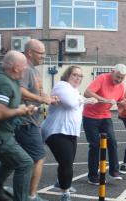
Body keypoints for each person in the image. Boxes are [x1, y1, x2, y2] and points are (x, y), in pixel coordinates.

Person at [41, 66, 97, 201]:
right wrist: (85, 100)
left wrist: (84, 99)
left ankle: (61, 182)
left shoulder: (75, 91)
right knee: (66, 163)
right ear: (67, 75)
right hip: (56, 131)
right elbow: (71, 104)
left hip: (70, 132)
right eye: (75, 75)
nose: (78, 78)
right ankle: (65, 193)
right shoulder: (61, 86)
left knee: (67, 162)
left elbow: (76, 103)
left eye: (80, 76)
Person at [15, 39, 59, 201]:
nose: (43, 56)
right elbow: (20, 91)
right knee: (38, 157)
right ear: (30, 53)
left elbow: (40, 93)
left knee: (18, 161)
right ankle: (31, 196)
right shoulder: (25, 68)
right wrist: (42, 100)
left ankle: (3, 189)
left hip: (32, 122)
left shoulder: (35, 71)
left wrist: (50, 98)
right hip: (25, 122)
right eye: (41, 53)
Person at [0, 51, 35, 201]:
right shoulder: (1, 82)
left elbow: (7, 106)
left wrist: (23, 110)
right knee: (25, 163)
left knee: (10, 161)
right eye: (24, 66)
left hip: (4, 133)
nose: (26, 69)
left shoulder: (12, 80)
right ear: (16, 67)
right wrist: (19, 110)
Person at [83, 64, 126, 184]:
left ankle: (114, 171)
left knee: (112, 142)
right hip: (90, 116)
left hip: (105, 116)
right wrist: (105, 100)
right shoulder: (102, 78)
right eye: (117, 77)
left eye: (121, 78)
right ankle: (92, 176)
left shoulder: (121, 86)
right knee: (95, 145)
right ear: (112, 72)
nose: (118, 80)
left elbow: (120, 100)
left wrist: (122, 103)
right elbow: (87, 92)